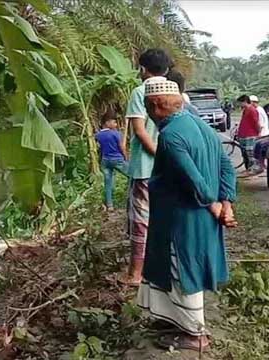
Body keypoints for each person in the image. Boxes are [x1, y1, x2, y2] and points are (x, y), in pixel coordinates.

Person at [138, 77, 237, 350]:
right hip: (203, 215)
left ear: (156, 106)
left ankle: (195, 335)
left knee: (183, 270)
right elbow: (226, 166)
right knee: (185, 267)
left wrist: (213, 203)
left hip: (183, 216)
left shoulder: (170, 136)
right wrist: (226, 202)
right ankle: (173, 320)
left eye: (147, 107)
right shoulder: (200, 126)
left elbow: (192, 178)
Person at [119, 48, 173, 285]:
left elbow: (139, 131)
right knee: (164, 217)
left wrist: (158, 155)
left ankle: (135, 273)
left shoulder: (141, 91)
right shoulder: (175, 91)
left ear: (143, 69)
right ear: (167, 69)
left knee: (141, 220)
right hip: (170, 166)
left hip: (145, 167)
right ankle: (162, 268)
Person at [95, 109, 129, 211]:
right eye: (114, 122)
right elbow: (121, 147)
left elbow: (99, 148)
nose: (115, 124)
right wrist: (126, 157)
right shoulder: (116, 134)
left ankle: (110, 205)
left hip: (105, 161)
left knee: (108, 183)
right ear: (107, 122)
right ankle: (133, 197)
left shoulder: (98, 135)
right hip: (117, 160)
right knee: (133, 176)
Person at [236, 95, 261, 174]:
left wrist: (258, 132)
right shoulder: (245, 110)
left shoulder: (252, 110)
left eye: (240, 102)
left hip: (250, 134)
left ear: (244, 102)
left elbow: (256, 122)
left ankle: (254, 169)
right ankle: (249, 168)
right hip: (244, 134)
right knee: (246, 153)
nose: (240, 105)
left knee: (250, 153)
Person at [251, 103, 269, 175]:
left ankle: (260, 165)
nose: (268, 113)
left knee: (260, 144)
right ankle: (260, 162)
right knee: (258, 141)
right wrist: (264, 136)